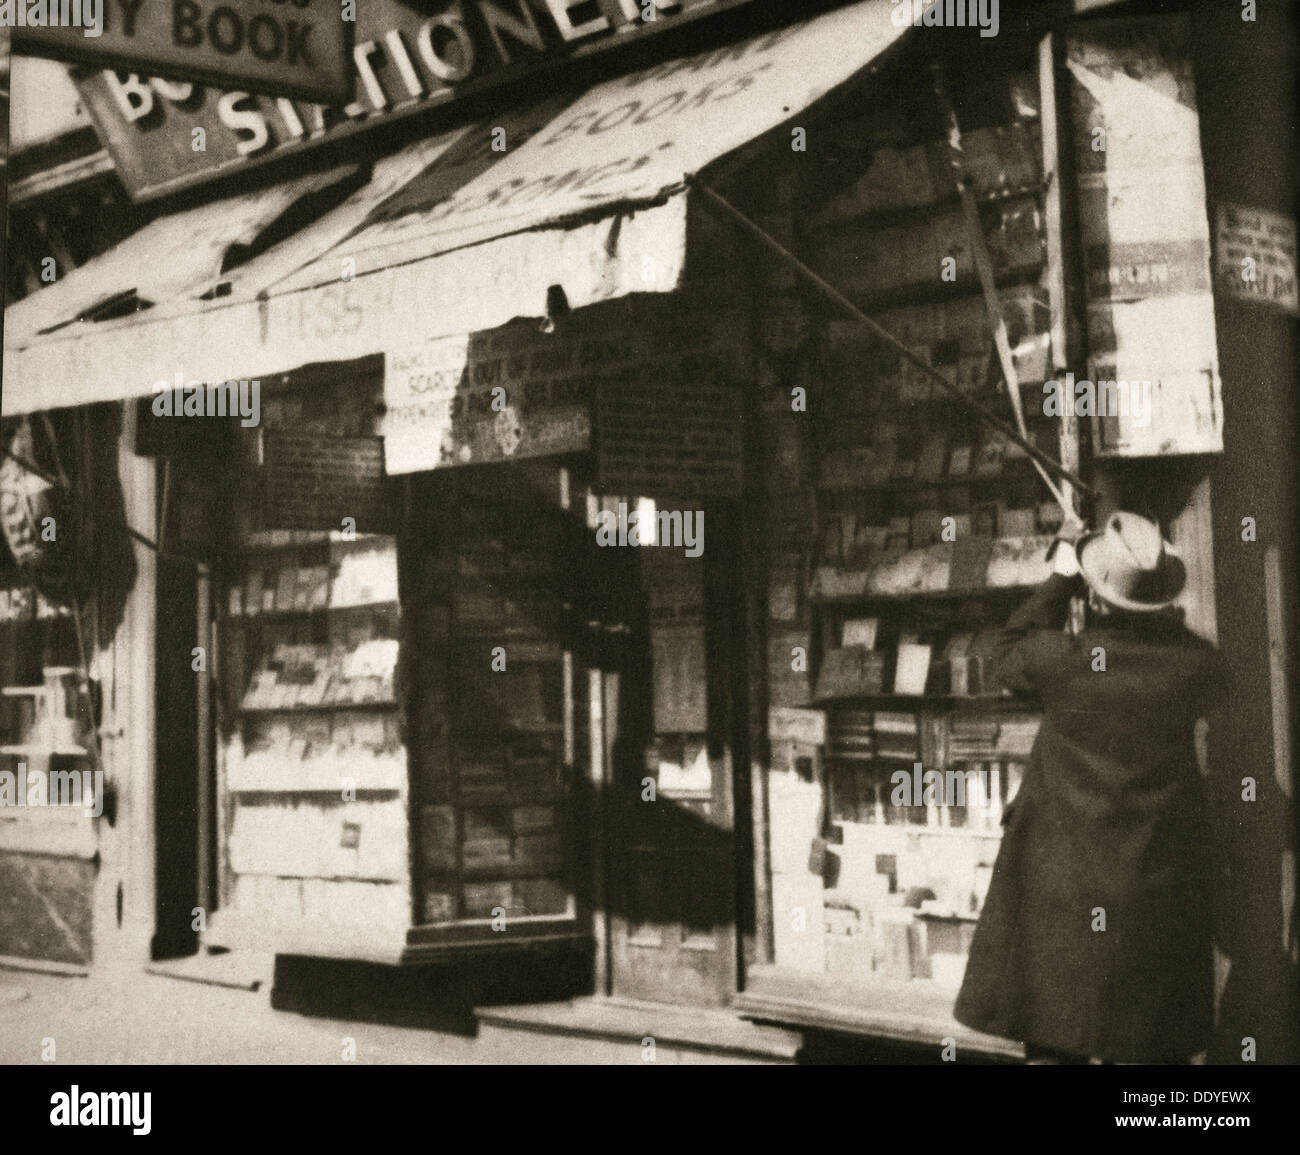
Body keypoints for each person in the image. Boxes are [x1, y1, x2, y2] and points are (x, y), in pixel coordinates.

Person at [953, 511, 1223, 1064]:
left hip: (1059, 892)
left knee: (1053, 1037)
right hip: (1151, 887)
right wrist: (1155, 623)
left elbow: (1005, 649)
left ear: (1097, 600)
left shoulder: (1062, 663)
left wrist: (1064, 570)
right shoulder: (1194, 667)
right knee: (1151, 1050)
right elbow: (1215, 674)